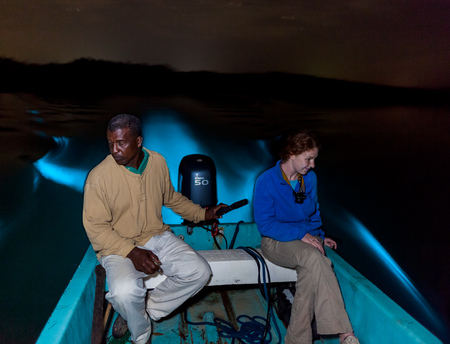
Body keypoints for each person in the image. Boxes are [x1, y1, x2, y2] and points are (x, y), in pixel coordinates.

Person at [83, 114, 225, 344]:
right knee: (123, 292)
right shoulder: (98, 178)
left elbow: (171, 198)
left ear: (138, 141)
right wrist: (132, 251)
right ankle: (141, 334)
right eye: (110, 143)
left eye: (121, 143)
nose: (114, 150)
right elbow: (96, 229)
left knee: (199, 272)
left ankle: (138, 314)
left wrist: (203, 214)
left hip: (156, 235)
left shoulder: (157, 162)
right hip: (117, 246)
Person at [253, 130, 360, 344]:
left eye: (314, 159)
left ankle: (297, 340)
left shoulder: (309, 179)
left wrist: (319, 236)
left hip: (304, 239)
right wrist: (302, 234)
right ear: (292, 153)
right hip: (275, 240)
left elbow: (314, 212)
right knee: (316, 260)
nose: (312, 165)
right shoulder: (266, 181)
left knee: (311, 270)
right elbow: (265, 225)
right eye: (308, 159)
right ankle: (344, 333)